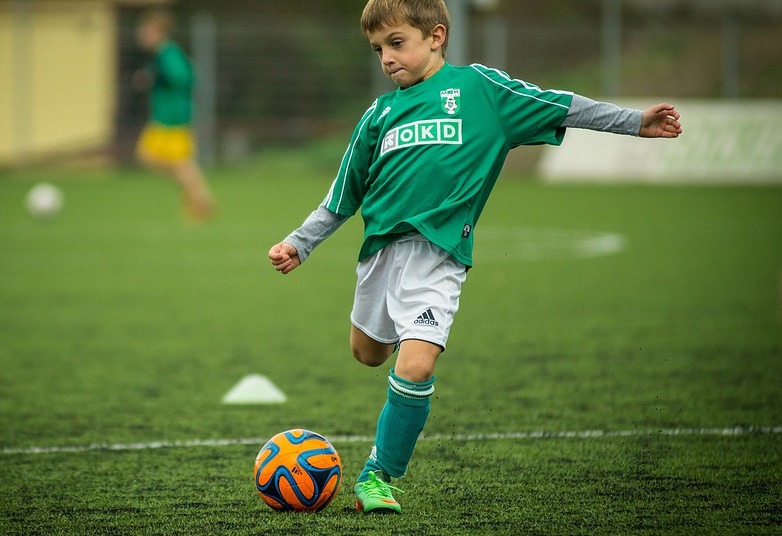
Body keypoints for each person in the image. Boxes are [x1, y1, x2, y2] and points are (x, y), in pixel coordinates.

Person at [268, 0, 682, 515]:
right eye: (378, 50)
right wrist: (299, 243)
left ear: (436, 36)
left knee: (415, 366)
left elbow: (560, 104)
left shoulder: (482, 90)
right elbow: (342, 196)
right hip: (380, 255)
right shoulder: (378, 115)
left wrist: (633, 123)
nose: (387, 59)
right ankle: (400, 347)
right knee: (368, 354)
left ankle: (379, 476)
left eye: (397, 43)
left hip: (439, 256)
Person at [135, 9, 215, 222]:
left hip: (172, 117)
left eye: (147, 30)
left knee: (176, 162)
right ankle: (197, 196)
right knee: (155, 158)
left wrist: (157, 76)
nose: (142, 34)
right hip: (165, 116)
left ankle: (200, 199)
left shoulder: (167, 52)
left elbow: (184, 76)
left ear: (158, 32)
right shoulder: (161, 55)